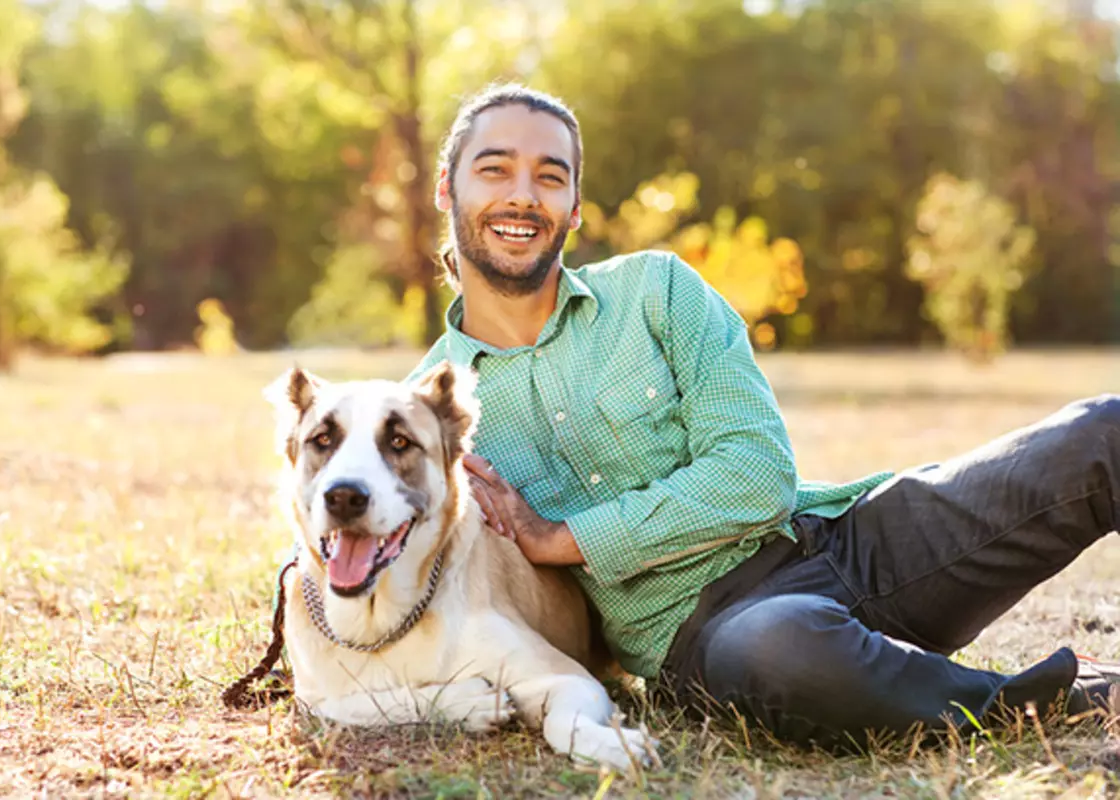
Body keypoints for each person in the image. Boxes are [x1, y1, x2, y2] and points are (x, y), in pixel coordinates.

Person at [401, 82, 1120, 749]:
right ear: (446, 188)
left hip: (839, 543)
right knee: (786, 647)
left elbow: (757, 475)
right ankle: (1047, 701)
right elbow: (371, 537)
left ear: (575, 206)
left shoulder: (659, 291)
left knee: (1102, 433)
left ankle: (903, 671)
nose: (524, 196)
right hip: (713, 636)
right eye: (494, 170)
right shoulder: (427, 414)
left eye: (550, 176)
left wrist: (562, 538)